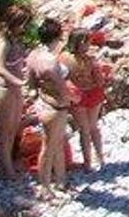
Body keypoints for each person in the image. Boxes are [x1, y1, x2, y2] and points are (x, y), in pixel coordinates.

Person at [23, 18, 72, 197]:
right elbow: (62, 88)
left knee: (56, 143)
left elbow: (30, 83)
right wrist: (72, 99)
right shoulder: (51, 61)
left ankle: (61, 180)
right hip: (56, 106)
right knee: (49, 147)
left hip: (42, 103)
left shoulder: (33, 55)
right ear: (58, 36)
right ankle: (45, 187)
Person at [0, 4, 33, 179]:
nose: (24, 28)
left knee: (14, 129)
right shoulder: (2, 40)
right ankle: (7, 170)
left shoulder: (14, 39)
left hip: (15, 88)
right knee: (5, 132)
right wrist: (19, 81)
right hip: (4, 88)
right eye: (23, 23)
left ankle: (10, 164)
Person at [61, 17, 113, 172]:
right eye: (87, 42)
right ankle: (100, 158)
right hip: (92, 93)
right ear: (81, 42)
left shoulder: (64, 58)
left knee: (84, 129)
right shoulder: (90, 60)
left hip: (77, 95)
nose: (89, 45)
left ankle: (88, 163)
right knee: (93, 127)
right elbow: (99, 81)